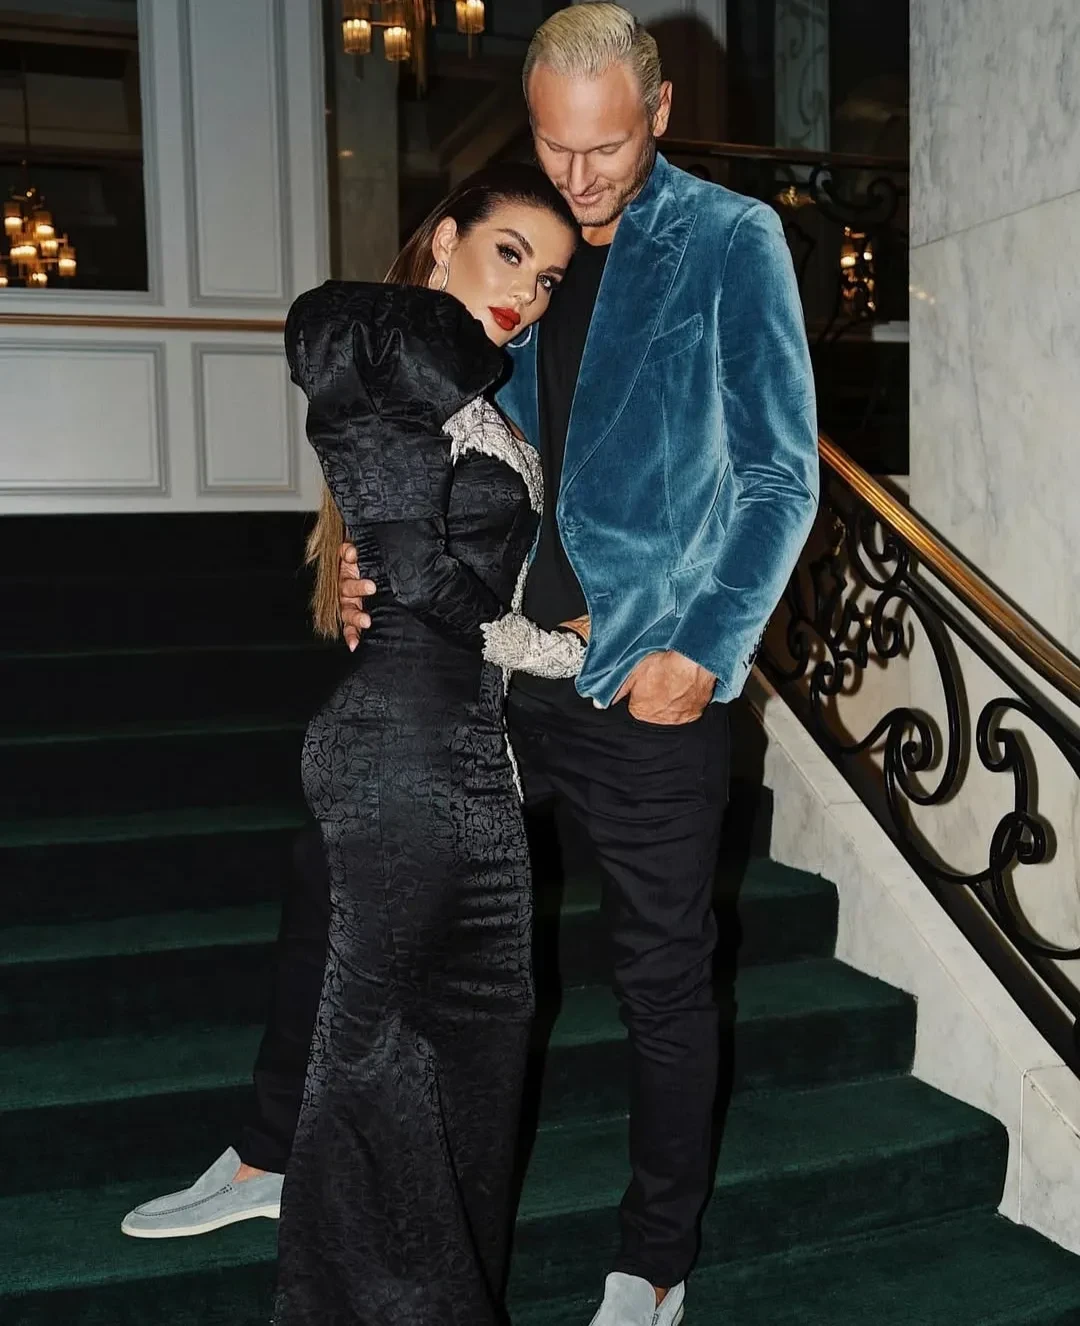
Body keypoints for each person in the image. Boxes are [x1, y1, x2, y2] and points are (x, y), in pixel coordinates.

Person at [338, 7, 819, 1325]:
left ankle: (654, 1260)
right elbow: (434, 428)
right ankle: (322, 1170)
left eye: (606, 146)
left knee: (661, 982)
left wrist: (705, 650)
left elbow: (779, 478)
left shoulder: (729, 240)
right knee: (412, 930)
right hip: (495, 669)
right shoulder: (519, 234)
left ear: (658, 113)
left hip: (644, 683)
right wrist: (378, 566)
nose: (581, 173)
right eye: (556, 144)